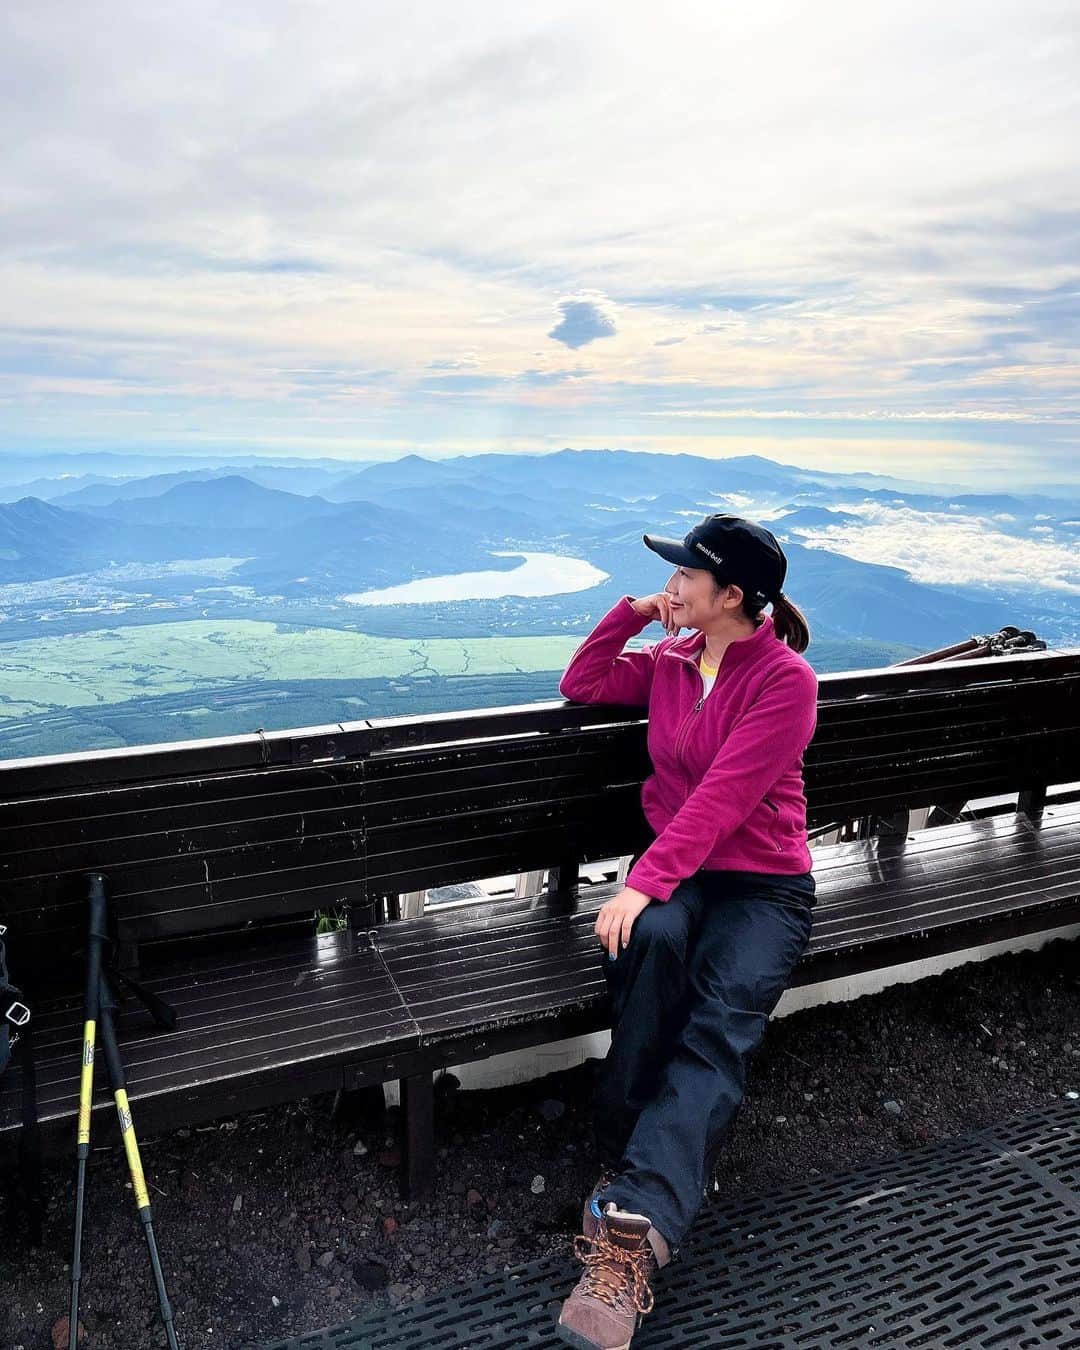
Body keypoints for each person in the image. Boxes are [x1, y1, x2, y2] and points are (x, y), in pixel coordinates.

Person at [554, 513, 818, 1350]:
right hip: (680, 865)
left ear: (732, 596)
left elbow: (726, 798)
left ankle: (629, 1230)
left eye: (684, 576)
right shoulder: (670, 660)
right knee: (649, 944)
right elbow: (583, 682)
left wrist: (645, 881)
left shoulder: (784, 681)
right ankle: (632, 1145)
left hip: (762, 886)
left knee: (719, 1022)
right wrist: (636, 610)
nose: (674, 582)